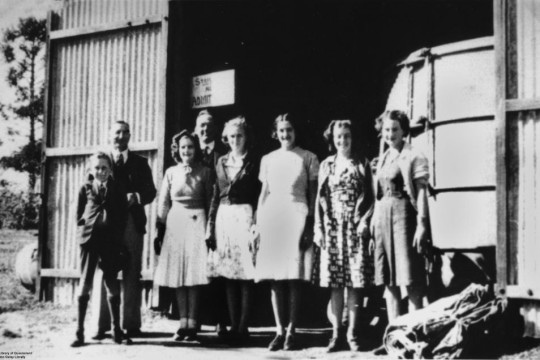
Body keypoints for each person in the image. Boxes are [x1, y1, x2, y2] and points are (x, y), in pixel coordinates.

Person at [256, 113, 319, 351]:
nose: (285, 135)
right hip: (273, 216)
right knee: (275, 278)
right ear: (276, 133)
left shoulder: (308, 157)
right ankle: (279, 330)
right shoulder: (268, 159)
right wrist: (257, 224)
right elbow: (264, 193)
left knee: (293, 277)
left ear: (295, 131)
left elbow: (312, 194)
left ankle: (292, 330)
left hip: (297, 215)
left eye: (289, 130)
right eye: (281, 130)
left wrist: (310, 224)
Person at [371, 110, 430, 355]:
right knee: (389, 282)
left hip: (405, 217)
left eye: (395, 129)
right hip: (383, 219)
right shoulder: (383, 157)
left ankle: (415, 339)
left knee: (411, 280)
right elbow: (379, 196)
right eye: (386, 130)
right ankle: (393, 340)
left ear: (403, 130)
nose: (390, 134)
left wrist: (422, 224)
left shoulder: (413, 155)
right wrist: (374, 227)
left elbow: (422, 193)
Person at [314, 119, 375, 352]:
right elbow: (319, 201)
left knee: (355, 283)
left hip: (355, 226)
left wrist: (365, 222)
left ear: (352, 137)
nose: (343, 140)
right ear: (332, 139)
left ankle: (352, 333)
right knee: (336, 283)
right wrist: (318, 229)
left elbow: (372, 196)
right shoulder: (326, 165)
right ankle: (336, 334)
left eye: (347, 136)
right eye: (338, 137)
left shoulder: (362, 163)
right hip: (332, 228)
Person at [94, 121, 157, 339]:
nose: (120, 137)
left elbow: (151, 191)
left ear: (129, 135)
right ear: (110, 135)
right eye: (116, 133)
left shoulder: (140, 163)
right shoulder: (101, 161)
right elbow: (90, 188)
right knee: (104, 271)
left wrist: (137, 197)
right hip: (108, 223)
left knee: (132, 271)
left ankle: (131, 324)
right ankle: (101, 326)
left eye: (124, 133)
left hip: (132, 221)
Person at [153, 130, 214, 341]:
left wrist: (210, 229)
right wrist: (159, 228)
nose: (186, 150)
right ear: (177, 150)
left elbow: (209, 200)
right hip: (176, 223)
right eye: (183, 147)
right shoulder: (171, 172)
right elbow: (163, 203)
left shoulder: (205, 172)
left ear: (196, 149)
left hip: (198, 222)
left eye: (190, 146)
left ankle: (193, 321)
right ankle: (183, 321)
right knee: (179, 274)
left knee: (194, 274)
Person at [205, 116, 261, 343]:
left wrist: (257, 223)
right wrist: (210, 226)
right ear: (225, 138)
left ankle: (243, 326)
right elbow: (215, 196)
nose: (235, 140)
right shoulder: (221, 162)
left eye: (239, 135)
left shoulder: (254, 162)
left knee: (246, 273)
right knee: (228, 274)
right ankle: (232, 322)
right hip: (224, 218)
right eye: (231, 136)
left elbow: (260, 196)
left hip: (245, 216)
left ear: (246, 137)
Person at [71, 151, 129, 347]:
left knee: (112, 282)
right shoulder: (85, 188)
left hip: (110, 242)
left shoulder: (117, 188)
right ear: (90, 169)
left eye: (104, 168)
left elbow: (122, 216)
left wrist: (117, 239)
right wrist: (84, 230)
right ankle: (79, 332)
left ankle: (117, 331)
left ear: (110, 170)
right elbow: (79, 214)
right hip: (89, 240)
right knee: (85, 281)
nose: (100, 171)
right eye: (96, 168)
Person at [193, 109, 229, 336]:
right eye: (201, 126)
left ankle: (220, 320)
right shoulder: (189, 153)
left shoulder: (224, 155)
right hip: (195, 218)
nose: (205, 130)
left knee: (218, 270)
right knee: (196, 268)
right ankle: (194, 319)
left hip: (218, 217)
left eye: (209, 125)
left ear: (216, 128)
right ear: (196, 130)